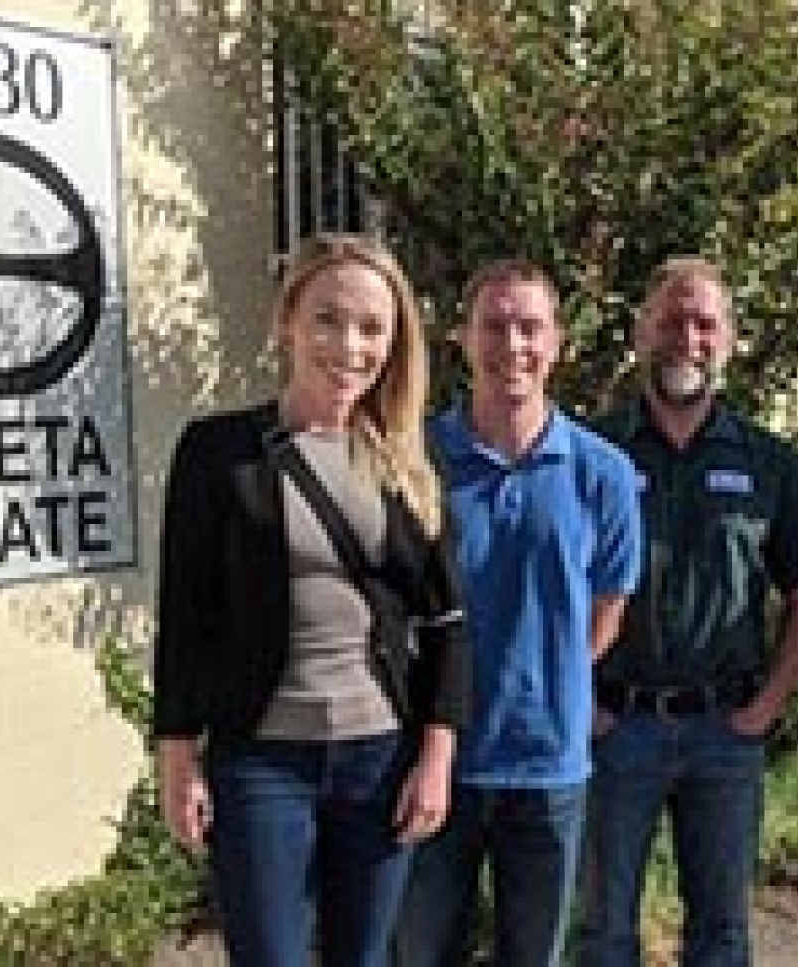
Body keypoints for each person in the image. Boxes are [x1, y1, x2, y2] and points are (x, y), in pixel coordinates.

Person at [152, 233, 471, 967]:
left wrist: (437, 755)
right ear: (287, 321)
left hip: (380, 755)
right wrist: (178, 757)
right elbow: (186, 617)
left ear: (395, 345)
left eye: (372, 328)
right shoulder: (218, 451)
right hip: (263, 759)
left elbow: (450, 623)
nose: (349, 345)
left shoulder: (408, 461)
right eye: (328, 319)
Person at [580, 257, 798, 967]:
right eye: (669, 320)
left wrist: (765, 707)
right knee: (602, 932)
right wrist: (581, 701)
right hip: (614, 727)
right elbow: (552, 593)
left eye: (704, 323)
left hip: (725, 732)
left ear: (729, 339)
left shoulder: (771, 465)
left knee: (721, 935)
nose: (685, 337)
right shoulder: (587, 452)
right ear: (640, 332)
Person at [394, 259, 644, 967]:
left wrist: (546, 673)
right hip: (434, 760)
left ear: (557, 341)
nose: (513, 344)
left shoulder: (604, 473)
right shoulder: (417, 461)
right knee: (420, 951)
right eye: (495, 325)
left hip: (547, 766)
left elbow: (606, 611)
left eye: (530, 326)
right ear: (463, 340)